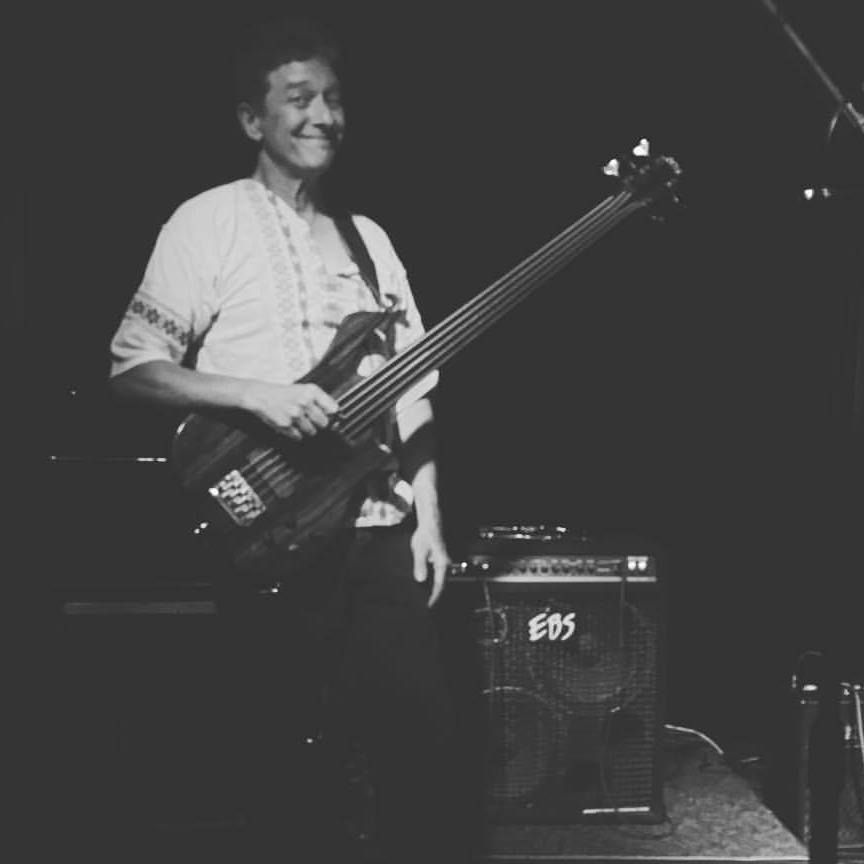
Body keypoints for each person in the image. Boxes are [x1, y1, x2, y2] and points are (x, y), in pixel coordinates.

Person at [108, 15, 470, 864]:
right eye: (300, 98)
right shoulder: (207, 222)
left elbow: (413, 389)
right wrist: (258, 396)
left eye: (334, 99)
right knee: (287, 762)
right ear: (251, 120)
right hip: (270, 528)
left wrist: (429, 518)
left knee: (423, 748)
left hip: (378, 525)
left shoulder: (370, 243)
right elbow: (133, 369)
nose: (323, 116)